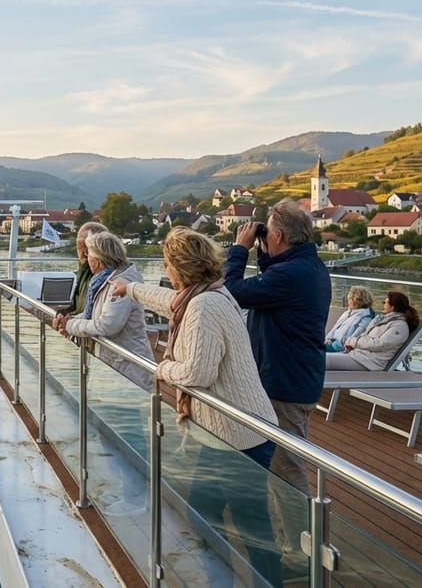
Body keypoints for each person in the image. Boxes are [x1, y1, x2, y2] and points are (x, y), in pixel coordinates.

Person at [112, 227, 281, 585]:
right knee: (204, 512)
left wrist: (161, 368)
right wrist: (131, 289)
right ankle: (220, 581)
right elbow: (166, 300)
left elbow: (197, 373)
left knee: (252, 531)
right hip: (225, 432)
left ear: (179, 267)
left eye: (167, 263)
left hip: (240, 435)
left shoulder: (203, 306)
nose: (166, 270)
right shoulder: (204, 294)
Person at [224, 198, 330, 558]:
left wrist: (240, 249)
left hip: (285, 384)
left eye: (268, 233)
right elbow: (266, 283)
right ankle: (295, 542)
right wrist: (264, 251)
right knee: (282, 465)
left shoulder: (290, 276)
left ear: (280, 234)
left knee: (287, 468)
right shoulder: (305, 266)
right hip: (292, 378)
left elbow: (232, 291)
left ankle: (304, 551)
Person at [53, 231, 154, 390]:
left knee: (124, 413)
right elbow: (95, 314)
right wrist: (70, 320)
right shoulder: (103, 280)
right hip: (114, 365)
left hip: (127, 368)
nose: (86, 258)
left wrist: (71, 326)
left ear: (99, 259)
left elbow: (108, 325)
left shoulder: (121, 282)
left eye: (88, 253)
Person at [326, 291, 419, 371]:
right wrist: (352, 345)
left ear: (392, 307)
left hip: (369, 363)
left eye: (385, 302)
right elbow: (366, 337)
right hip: (358, 355)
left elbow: (380, 344)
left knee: (322, 360)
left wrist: (353, 342)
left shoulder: (399, 326)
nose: (383, 304)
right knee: (318, 357)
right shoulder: (382, 320)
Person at [67, 221, 109, 315]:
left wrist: (71, 321)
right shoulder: (83, 272)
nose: (82, 253)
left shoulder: (108, 278)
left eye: (84, 247)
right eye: (79, 246)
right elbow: (77, 305)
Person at [325, 286, 375, 352]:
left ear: (356, 301)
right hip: (329, 342)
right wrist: (327, 340)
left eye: (349, 299)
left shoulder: (366, 317)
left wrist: (333, 345)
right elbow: (335, 328)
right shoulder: (348, 312)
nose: (348, 301)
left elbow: (353, 338)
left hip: (339, 347)